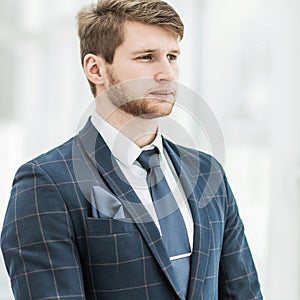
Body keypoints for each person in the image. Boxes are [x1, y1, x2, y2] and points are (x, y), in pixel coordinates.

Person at [1, 0, 263, 299]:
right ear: (96, 69)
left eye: (172, 56)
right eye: (147, 57)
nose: (167, 73)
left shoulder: (207, 172)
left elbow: (244, 292)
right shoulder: (45, 182)